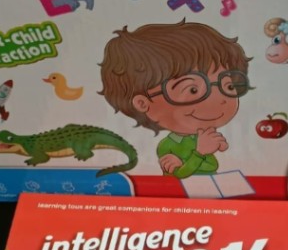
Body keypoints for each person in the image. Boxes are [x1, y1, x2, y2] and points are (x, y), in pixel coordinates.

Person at [100, 20, 251, 179]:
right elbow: (178, 176)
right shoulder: (168, 146)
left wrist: (219, 144)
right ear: (143, 103)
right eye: (193, 90)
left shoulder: (202, 135)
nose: (219, 99)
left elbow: (213, 163)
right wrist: (200, 152)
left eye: (228, 86)